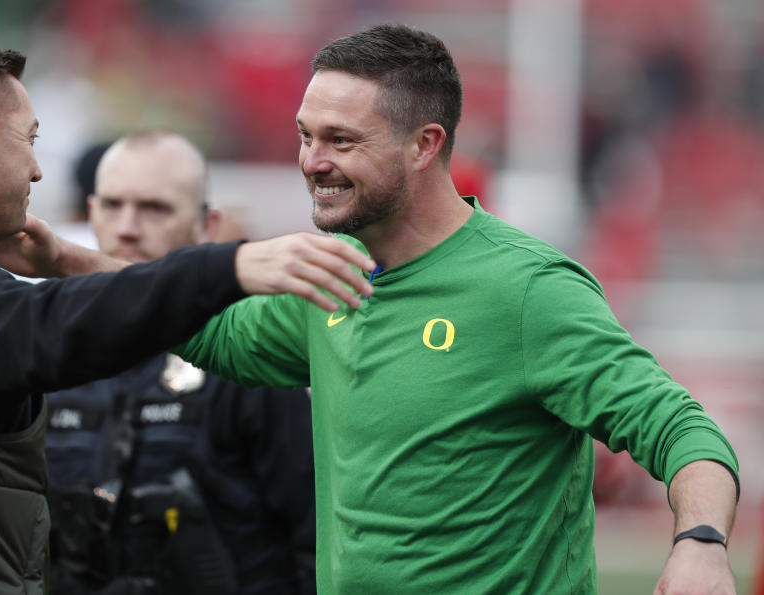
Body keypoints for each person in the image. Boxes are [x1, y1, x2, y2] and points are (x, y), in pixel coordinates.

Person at [173, 24, 741, 594]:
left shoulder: (528, 291)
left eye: (341, 141)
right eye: (306, 135)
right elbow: (200, 329)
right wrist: (85, 272)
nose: (311, 162)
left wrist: (701, 545)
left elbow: (683, 432)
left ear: (424, 145)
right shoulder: (332, 271)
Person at [0, 40, 374, 595]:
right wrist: (228, 267)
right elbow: (52, 327)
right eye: (30, 140)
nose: (36, 169)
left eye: (153, 207)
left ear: (205, 221)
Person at [45, 131, 317, 594]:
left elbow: (316, 541)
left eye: (155, 208)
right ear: (90, 213)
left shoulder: (250, 361)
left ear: (207, 226)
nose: (128, 227)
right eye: (112, 205)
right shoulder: (49, 354)